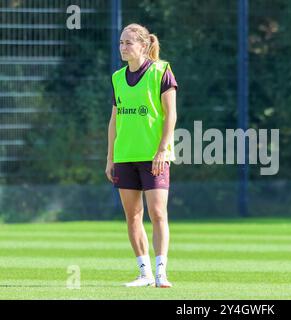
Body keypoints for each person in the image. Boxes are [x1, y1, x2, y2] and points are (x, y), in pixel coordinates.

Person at [105, 23, 178, 288]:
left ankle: (161, 272)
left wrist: (162, 150)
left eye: (128, 43)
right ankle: (144, 272)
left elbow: (171, 114)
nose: (123, 47)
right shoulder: (116, 77)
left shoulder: (161, 71)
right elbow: (114, 120)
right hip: (125, 156)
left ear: (144, 45)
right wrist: (110, 157)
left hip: (153, 156)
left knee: (158, 213)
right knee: (132, 215)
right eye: (121, 43)